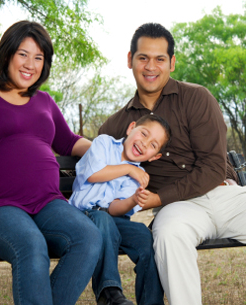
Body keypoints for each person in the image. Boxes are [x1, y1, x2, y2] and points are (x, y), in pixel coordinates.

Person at [99, 22, 246, 305]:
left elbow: (213, 168)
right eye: (143, 57)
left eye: (160, 59)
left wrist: (157, 197)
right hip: (179, 209)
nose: (150, 66)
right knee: (168, 235)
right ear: (130, 59)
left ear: (172, 63)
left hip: (226, 196)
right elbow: (97, 164)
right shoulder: (118, 125)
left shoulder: (196, 98)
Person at [0, 20, 102, 305]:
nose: (30, 64)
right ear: (7, 54)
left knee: (88, 237)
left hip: (48, 202)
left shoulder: (44, 101)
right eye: (23, 54)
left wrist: (110, 149)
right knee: (31, 244)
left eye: (39, 57)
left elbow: (69, 142)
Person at [69, 114, 170, 305]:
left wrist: (133, 200)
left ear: (155, 156)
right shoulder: (104, 143)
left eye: (153, 145)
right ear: (131, 128)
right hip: (82, 216)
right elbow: (93, 174)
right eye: (143, 133)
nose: (144, 143)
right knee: (102, 219)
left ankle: (152, 301)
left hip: (112, 221)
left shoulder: (140, 176)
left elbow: (115, 209)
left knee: (144, 235)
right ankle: (109, 294)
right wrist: (128, 169)